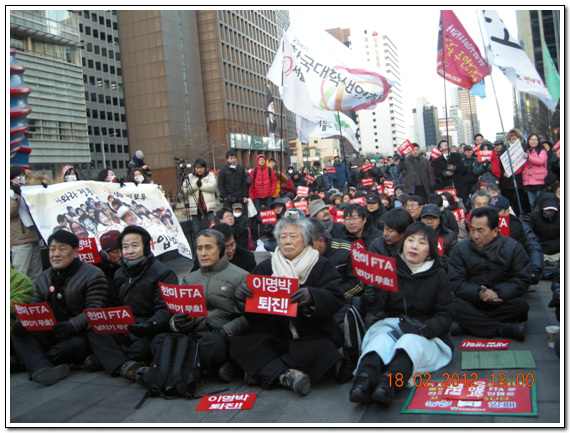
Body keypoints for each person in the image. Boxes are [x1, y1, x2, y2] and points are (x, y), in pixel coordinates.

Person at [230, 216, 345, 396]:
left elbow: (337, 297)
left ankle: (265, 371)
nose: (287, 241)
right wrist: (242, 299)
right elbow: (254, 312)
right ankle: (288, 375)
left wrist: (313, 297)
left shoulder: (321, 265)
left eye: (293, 236)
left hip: (311, 334)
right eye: (283, 237)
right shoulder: (266, 267)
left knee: (323, 351)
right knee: (240, 344)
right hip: (275, 334)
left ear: (306, 241)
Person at [350, 223, 453, 405]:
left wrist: (425, 328)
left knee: (409, 343)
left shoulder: (439, 275)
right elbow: (376, 309)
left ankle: (389, 386)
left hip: (425, 331)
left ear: (430, 251)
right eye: (410, 240)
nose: (414, 246)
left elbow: (445, 314)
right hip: (391, 323)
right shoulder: (388, 268)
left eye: (421, 243)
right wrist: (371, 297)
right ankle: (363, 381)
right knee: (380, 341)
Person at [11, 230, 108, 385]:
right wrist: (23, 323)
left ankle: (27, 362)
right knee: (17, 333)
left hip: (77, 332)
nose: (55, 254)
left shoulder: (93, 275)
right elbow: (34, 307)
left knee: (73, 346)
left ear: (76, 251)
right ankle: (42, 367)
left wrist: (70, 326)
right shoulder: (44, 277)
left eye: (62, 249)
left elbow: (94, 311)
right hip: (51, 330)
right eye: (52, 249)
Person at [85, 226, 177, 379]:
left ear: (146, 247)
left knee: (146, 347)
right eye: (125, 247)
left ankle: (108, 360)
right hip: (127, 326)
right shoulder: (120, 273)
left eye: (135, 245)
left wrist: (148, 326)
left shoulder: (163, 273)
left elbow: (165, 310)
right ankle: (123, 364)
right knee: (93, 330)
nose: (129, 251)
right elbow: (116, 304)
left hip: (149, 327)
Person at [170, 229, 249, 382]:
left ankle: (190, 368)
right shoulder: (189, 279)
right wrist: (176, 323)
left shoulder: (242, 276)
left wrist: (227, 331)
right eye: (199, 248)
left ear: (220, 250)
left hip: (222, 336)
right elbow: (182, 312)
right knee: (161, 341)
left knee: (211, 345)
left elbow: (249, 317)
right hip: (194, 333)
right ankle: (206, 368)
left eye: (208, 247)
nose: (203, 253)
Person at [448, 207, 531, 340]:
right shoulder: (460, 249)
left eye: (480, 230)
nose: (475, 235)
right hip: (472, 299)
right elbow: (456, 281)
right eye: (473, 229)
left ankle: (468, 325)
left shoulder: (513, 247)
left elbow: (522, 279)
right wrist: (478, 294)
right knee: (451, 305)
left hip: (501, 299)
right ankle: (503, 329)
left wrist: (497, 293)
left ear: (495, 231)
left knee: (521, 307)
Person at [486, 196, 544, 285]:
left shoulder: (519, 226)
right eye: (489, 212)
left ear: (507, 211)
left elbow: (533, 246)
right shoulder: (482, 225)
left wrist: (535, 269)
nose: (492, 215)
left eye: (496, 212)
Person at [308, 219, 363, 299]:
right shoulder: (297, 252)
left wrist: (332, 297)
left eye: (309, 244)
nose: (304, 247)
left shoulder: (347, 251)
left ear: (321, 241)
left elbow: (358, 282)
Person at [10, 166, 43, 283]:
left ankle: (36, 299)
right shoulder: (10, 194)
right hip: (20, 240)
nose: (21, 179)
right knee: (21, 274)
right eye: (18, 177)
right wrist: (15, 196)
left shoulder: (26, 191)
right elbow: (10, 212)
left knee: (36, 274)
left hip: (33, 237)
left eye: (22, 176)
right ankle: (20, 300)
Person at [184, 158, 218, 239]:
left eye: (201, 168)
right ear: (194, 168)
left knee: (213, 228)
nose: (199, 170)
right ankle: (197, 248)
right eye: (197, 168)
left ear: (205, 168)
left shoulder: (210, 175)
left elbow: (212, 186)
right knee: (196, 231)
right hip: (195, 207)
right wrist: (195, 185)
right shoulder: (189, 177)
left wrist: (201, 185)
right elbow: (185, 190)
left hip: (207, 207)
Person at [523, 192, 560, 261]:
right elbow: (527, 231)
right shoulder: (532, 217)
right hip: (540, 249)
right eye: (547, 210)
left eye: (552, 210)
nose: (549, 212)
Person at [419, 204, 457, 270]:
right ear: (420, 220)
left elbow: (454, 260)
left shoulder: (449, 235)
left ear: (439, 220)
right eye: (426, 218)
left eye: (434, 218)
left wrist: (445, 261)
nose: (429, 222)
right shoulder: (414, 234)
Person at [521, 134, 548, 210]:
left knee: (540, 202)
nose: (533, 141)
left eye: (535, 139)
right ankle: (534, 219)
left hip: (539, 180)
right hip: (528, 182)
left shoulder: (542, 151)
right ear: (528, 141)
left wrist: (529, 157)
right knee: (532, 203)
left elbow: (540, 161)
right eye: (531, 139)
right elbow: (521, 166)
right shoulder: (524, 151)